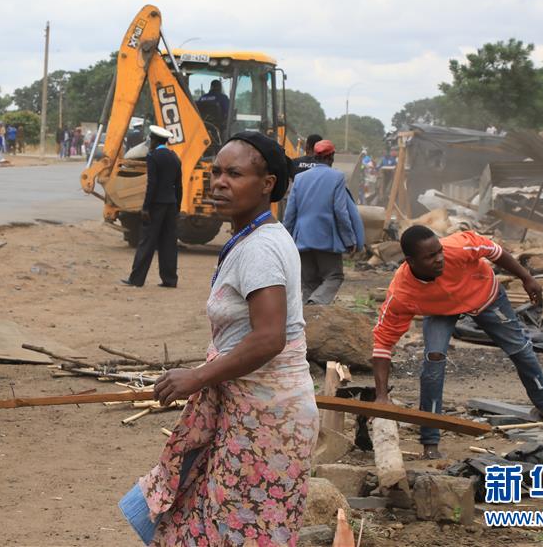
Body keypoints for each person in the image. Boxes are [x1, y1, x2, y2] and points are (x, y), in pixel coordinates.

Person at [121, 130, 318, 546]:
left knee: (244, 529)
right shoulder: (252, 237)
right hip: (247, 411)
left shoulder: (260, 249)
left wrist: (197, 377)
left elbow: (268, 338)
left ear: (267, 185)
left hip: (266, 419)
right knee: (214, 518)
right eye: (215, 172)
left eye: (235, 173)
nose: (220, 183)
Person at [372, 225, 543, 459]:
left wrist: (526, 278)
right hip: (441, 309)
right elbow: (382, 342)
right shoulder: (402, 292)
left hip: (485, 296)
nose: (440, 259)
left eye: (439, 251)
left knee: (521, 349)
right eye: (430, 257)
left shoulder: (459, 246)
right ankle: (430, 440)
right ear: (410, 261)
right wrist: (381, 396)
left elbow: (496, 252)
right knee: (433, 360)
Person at [283, 139, 364, 305]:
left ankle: (306, 321)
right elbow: (341, 212)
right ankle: (316, 303)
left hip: (302, 238)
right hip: (326, 238)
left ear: (314, 156)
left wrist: (286, 240)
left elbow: (290, 213)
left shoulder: (300, 178)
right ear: (331, 156)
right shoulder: (337, 177)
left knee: (308, 283)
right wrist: (350, 240)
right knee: (334, 276)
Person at [122, 126, 183, 288]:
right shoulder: (174, 157)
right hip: (171, 205)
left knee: (147, 241)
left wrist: (145, 207)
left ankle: (136, 279)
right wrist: (177, 208)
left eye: (150, 141)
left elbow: (152, 184)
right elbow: (179, 186)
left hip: (156, 205)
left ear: (154, 141)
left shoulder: (153, 157)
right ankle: (170, 280)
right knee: (169, 243)